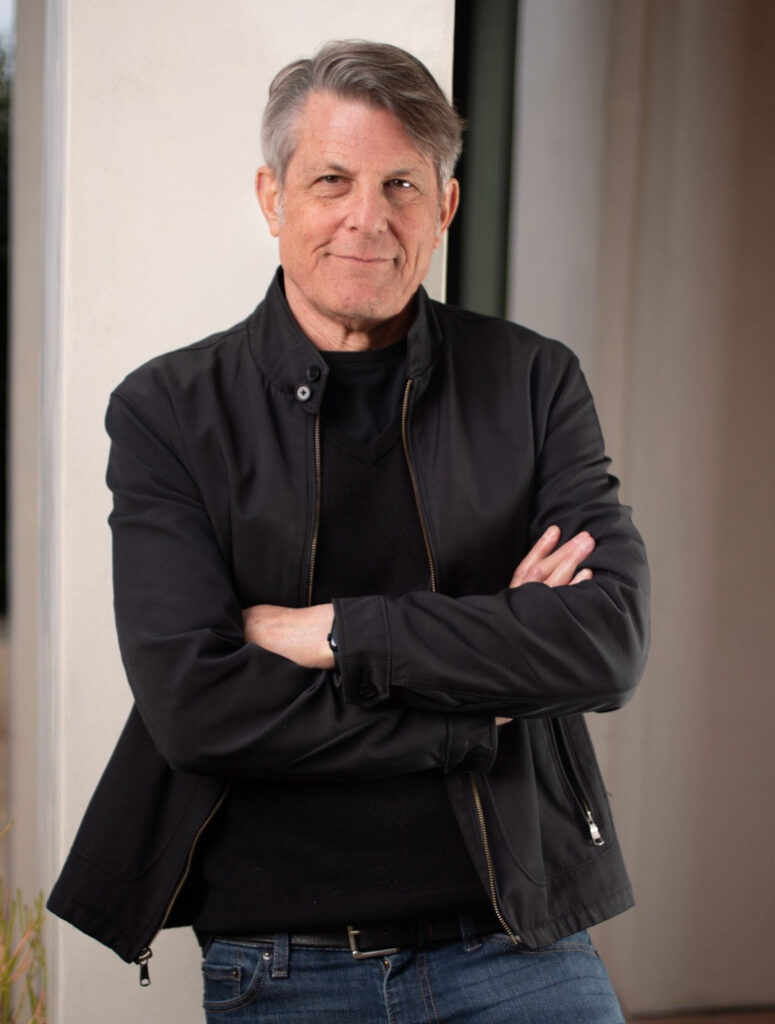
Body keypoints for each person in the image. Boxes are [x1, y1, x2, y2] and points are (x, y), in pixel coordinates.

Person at [48, 40, 649, 1023]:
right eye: (332, 179)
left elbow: (607, 642)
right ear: (272, 196)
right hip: (279, 957)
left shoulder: (532, 382)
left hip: (511, 937)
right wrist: (477, 694)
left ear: (444, 208)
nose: (367, 219)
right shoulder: (167, 411)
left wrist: (332, 632)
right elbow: (195, 705)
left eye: (401, 185)